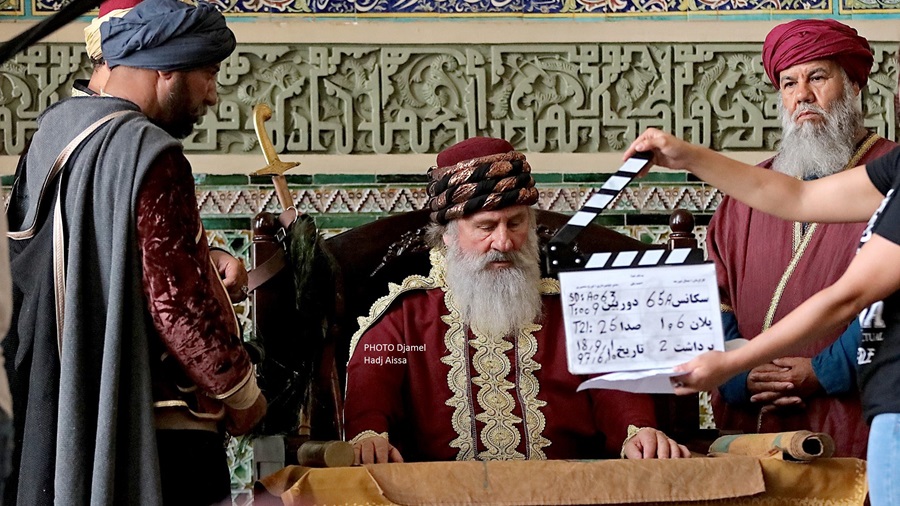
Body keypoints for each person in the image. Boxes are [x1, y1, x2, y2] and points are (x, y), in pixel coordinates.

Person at [4, 1, 266, 504]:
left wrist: (202, 253)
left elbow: (92, 255)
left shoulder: (54, 134)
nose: (213, 95)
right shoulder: (152, 152)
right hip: (155, 433)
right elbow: (178, 306)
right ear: (167, 68)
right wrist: (243, 395)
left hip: (60, 417)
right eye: (208, 74)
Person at [344, 137, 691, 464]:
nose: (504, 242)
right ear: (448, 235)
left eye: (515, 223)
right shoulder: (403, 320)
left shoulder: (574, 312)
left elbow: (615, 390)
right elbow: (371, 392)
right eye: (486, 227)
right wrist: (370, 435)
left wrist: (638, 432)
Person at [626, 117, 900, 503]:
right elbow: (798, 198)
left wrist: (730, 363)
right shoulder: (895, 168)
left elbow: (848, 297)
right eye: (789, 82)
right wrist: (686, 155)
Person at [706, 18, 896, 459]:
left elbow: (889, 296)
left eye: (817, 77)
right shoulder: (749, 190)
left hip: (853, 418)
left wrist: (824, 372)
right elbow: (712, 301)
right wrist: (740, 374)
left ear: (853, 86)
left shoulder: (890, 171)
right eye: (789, 83)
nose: (802, 95)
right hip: (754, 426)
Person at [75, 0, 250, 303]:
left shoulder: (61, 130)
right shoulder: (121, 144)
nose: (211, 97)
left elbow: (132, 246)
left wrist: (203, 258)